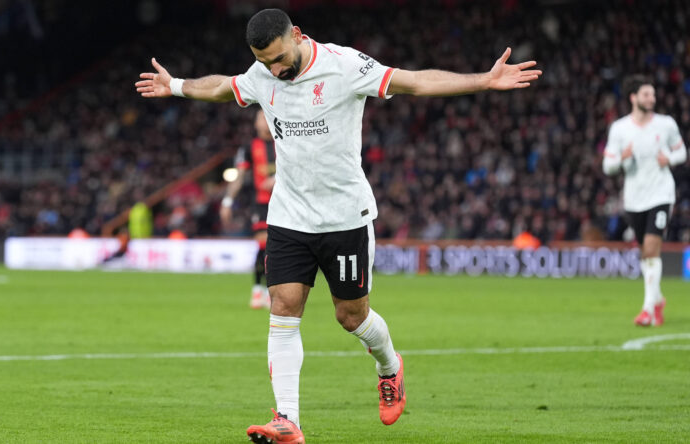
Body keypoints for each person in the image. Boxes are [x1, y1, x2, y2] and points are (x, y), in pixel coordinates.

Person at [136, 8, 541, 443]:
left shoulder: (345, 66)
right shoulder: (263, 74)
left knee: (351, 317)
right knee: (284, 308)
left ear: (297, 35)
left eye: (278, 58)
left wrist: (482, 79)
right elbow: (221, 87)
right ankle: (287, 419)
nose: (274, 69)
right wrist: (176, 86)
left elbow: (414, 81)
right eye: (264, 61)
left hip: (345, 217)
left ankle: (390, 367)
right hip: (289, 215)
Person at [603, 75, 687, 327]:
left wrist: (670, 159)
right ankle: (658, 299)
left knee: (651, 248)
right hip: (634, 199)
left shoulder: (666, 124)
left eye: (653, 94)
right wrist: (621, 159)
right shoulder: (619, 128)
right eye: (647, 94)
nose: (652, 98)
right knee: (645, 253)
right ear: (633, 97)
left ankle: (647, 309)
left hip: (661, 194)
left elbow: (682, 151)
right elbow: (608, 166)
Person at [220, 110, 275, 309]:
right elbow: (239, 177)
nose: (265, 121)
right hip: (260, 204)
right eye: (261, 117)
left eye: (267, 116)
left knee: (275, 249)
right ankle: (259, 290)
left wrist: (278, 178)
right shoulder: (249, 147)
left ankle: (266, 291)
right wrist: (227, 202)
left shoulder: (285, 140)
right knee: (265, 246)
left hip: (285, 204)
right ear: (255, 124)